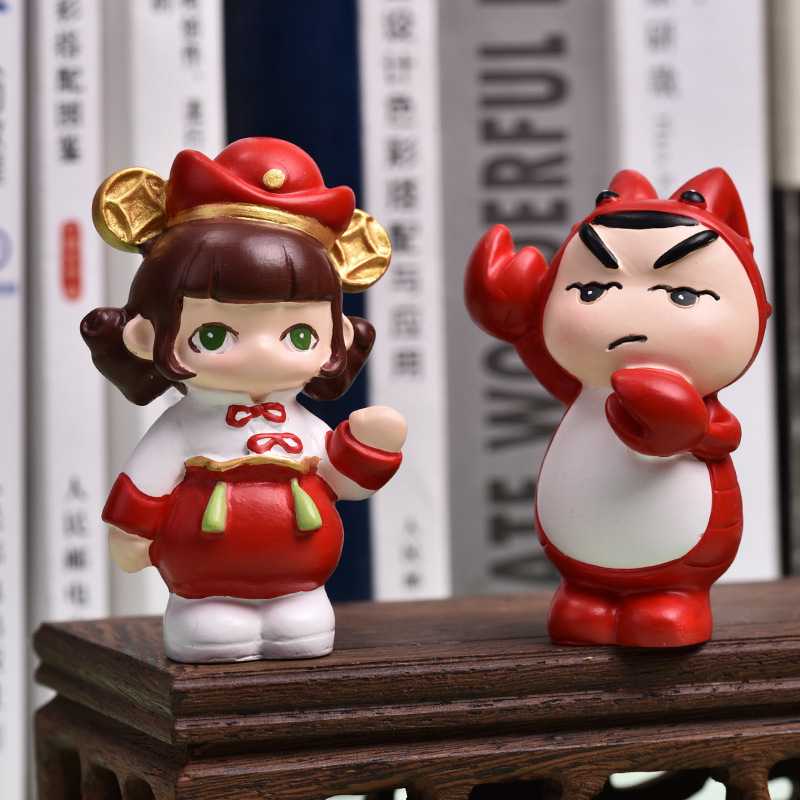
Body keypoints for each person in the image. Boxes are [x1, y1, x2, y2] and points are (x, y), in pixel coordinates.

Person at [82, 137, 406, 662]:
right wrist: (131, 531)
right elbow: (144, 482)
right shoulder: (184, 426)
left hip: (302, 575)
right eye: (214, 335)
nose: (263, 354)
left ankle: (296, 608)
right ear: (146, 335)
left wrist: (371, 446)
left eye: (298, 335)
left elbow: (346, 482)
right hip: (202, 575)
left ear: (338, 336)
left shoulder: (303, 422)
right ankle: (206, 614)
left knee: (301, 627)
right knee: (212, 632)